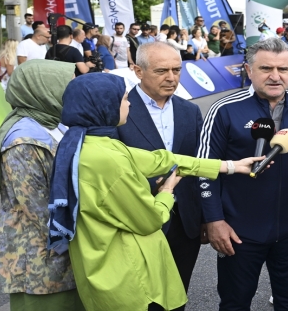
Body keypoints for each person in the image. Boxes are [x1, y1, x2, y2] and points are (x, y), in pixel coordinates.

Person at [46, 72, 265, 311]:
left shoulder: (87, 143)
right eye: (123, 99)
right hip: (128, 275)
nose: (129, 104)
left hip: (102, 264)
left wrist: (230, 166)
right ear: (103, 106)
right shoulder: (107, 159)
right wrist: (167, 192)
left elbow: (160, 160)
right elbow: (148, 220)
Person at [197, 38, 288, 310]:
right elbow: (205, 167)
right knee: (235, 302)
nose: (275, 76)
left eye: (283, 69)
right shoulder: (224, 109)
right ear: (249, 71)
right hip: (239, 230)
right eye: (266, 69)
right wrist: (214, 219)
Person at [0, 60, 83, 311]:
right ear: (43, 89)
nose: (73, 91)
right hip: (42, 262)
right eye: (66, 85)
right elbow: (39, 209)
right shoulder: (23, 141)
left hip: (67, 251)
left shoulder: (53, 122)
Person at [116, 42, 208, 310]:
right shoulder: (119, 110)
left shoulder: (189, 111)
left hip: (185, 221)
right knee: (143, 299)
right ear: (137, 70)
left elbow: (200, 165)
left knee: (177, 294)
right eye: (161, 71)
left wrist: (205, 216)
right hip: (139, 219)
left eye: (177, 70)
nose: (171, 78)